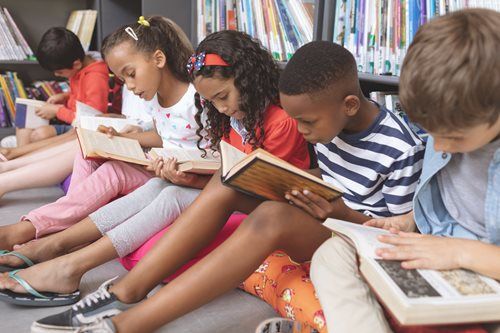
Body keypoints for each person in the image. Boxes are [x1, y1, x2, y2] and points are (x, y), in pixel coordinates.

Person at [30, 39, 423, 332]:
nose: (302, 132)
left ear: (350, 105)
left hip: (355, 236)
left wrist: (339, 212)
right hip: (325, 214)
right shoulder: (329, 120)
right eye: (297, 122)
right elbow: (331, 177)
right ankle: (127, 292)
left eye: (308, 125)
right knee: (227, 179)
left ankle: (127, 324)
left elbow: (396, 235)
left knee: (270, 216)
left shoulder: (400, 147)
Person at [309, 8, 500, 333]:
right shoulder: (450, 123)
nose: (438, 147)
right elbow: (446, 196)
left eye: (452, 137)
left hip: (483, 263)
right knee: (331, 256)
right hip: (436, 242)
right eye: (430, 133)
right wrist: (409, 219)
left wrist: (461, 252)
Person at [0, 16, 194, 251]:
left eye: (131, 74)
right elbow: (161, 135)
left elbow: (210, 153)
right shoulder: (154, 98)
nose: (129, 86)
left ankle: (34, 227)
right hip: (157, 162)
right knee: (86, 149)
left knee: (113, 171)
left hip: (175, 173)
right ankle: (64, 222)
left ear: (159, 59)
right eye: (123, 79)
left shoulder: (194, 100)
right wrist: (119, 138)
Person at [15, 27, 109, 146]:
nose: (56, 75)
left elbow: (92, 118)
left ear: (77, 64)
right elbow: (82, 95)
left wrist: (57, 111)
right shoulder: (78, 68)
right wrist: (65, 96)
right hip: (71, 117)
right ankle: (19, 157)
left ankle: (22, 157)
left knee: (40, 135)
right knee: (23, 125)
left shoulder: (96, 78)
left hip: (81, 126)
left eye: (59, 72)